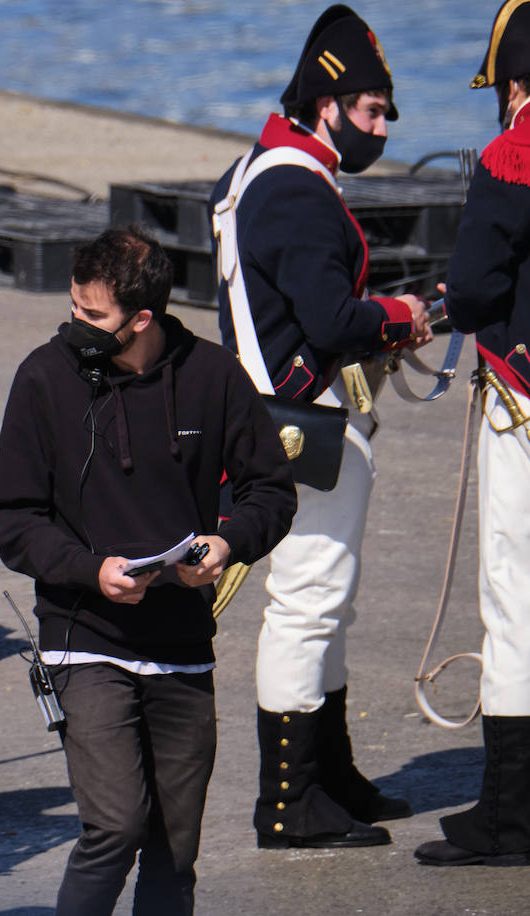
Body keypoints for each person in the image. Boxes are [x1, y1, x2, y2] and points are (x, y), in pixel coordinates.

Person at [0, 227, 296, 916]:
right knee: (115, 825)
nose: (76, 326)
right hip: (84, 635)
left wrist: (227, 544)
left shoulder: (213, 374)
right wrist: (90, 572)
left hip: (183, 648)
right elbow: (10, 516)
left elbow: (271, 490)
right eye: (74, 307)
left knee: (175, 847)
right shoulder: (43, 375)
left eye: (93, 316)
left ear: (143, 318)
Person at [208, 3, 433, 850]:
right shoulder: (299, 187)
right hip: (300, 426)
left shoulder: (262, 166)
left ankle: (330, 775)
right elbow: (332, 319)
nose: (380, 129)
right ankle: (287, 802)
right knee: (306, 606)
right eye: (372, 111)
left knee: (326, 602)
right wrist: (400, 311)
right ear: (329, 103)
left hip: (274, 410)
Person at [414, 0, 530, 868]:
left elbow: (478, 285)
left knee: (515, 605)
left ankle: (511, 817)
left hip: (522, 402)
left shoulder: (512, 153)